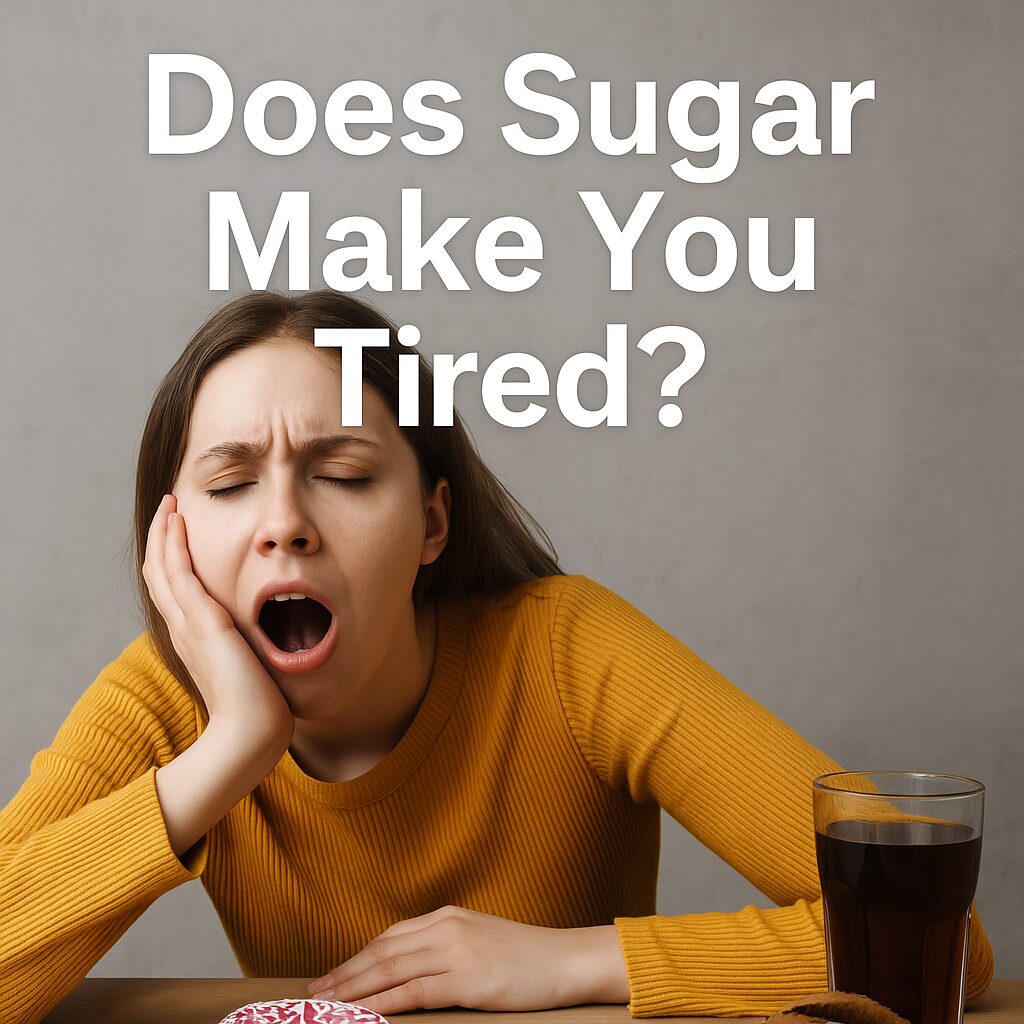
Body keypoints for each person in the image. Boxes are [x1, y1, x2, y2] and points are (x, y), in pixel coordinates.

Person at [0, 291, 994, 1024]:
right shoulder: (163, 700)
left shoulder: (568, 650)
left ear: (433, 521)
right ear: (171, 538)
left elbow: (934, 945)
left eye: (342, 473)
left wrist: (568, 963)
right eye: (229, 485)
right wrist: (230, 751)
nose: (284, 525)